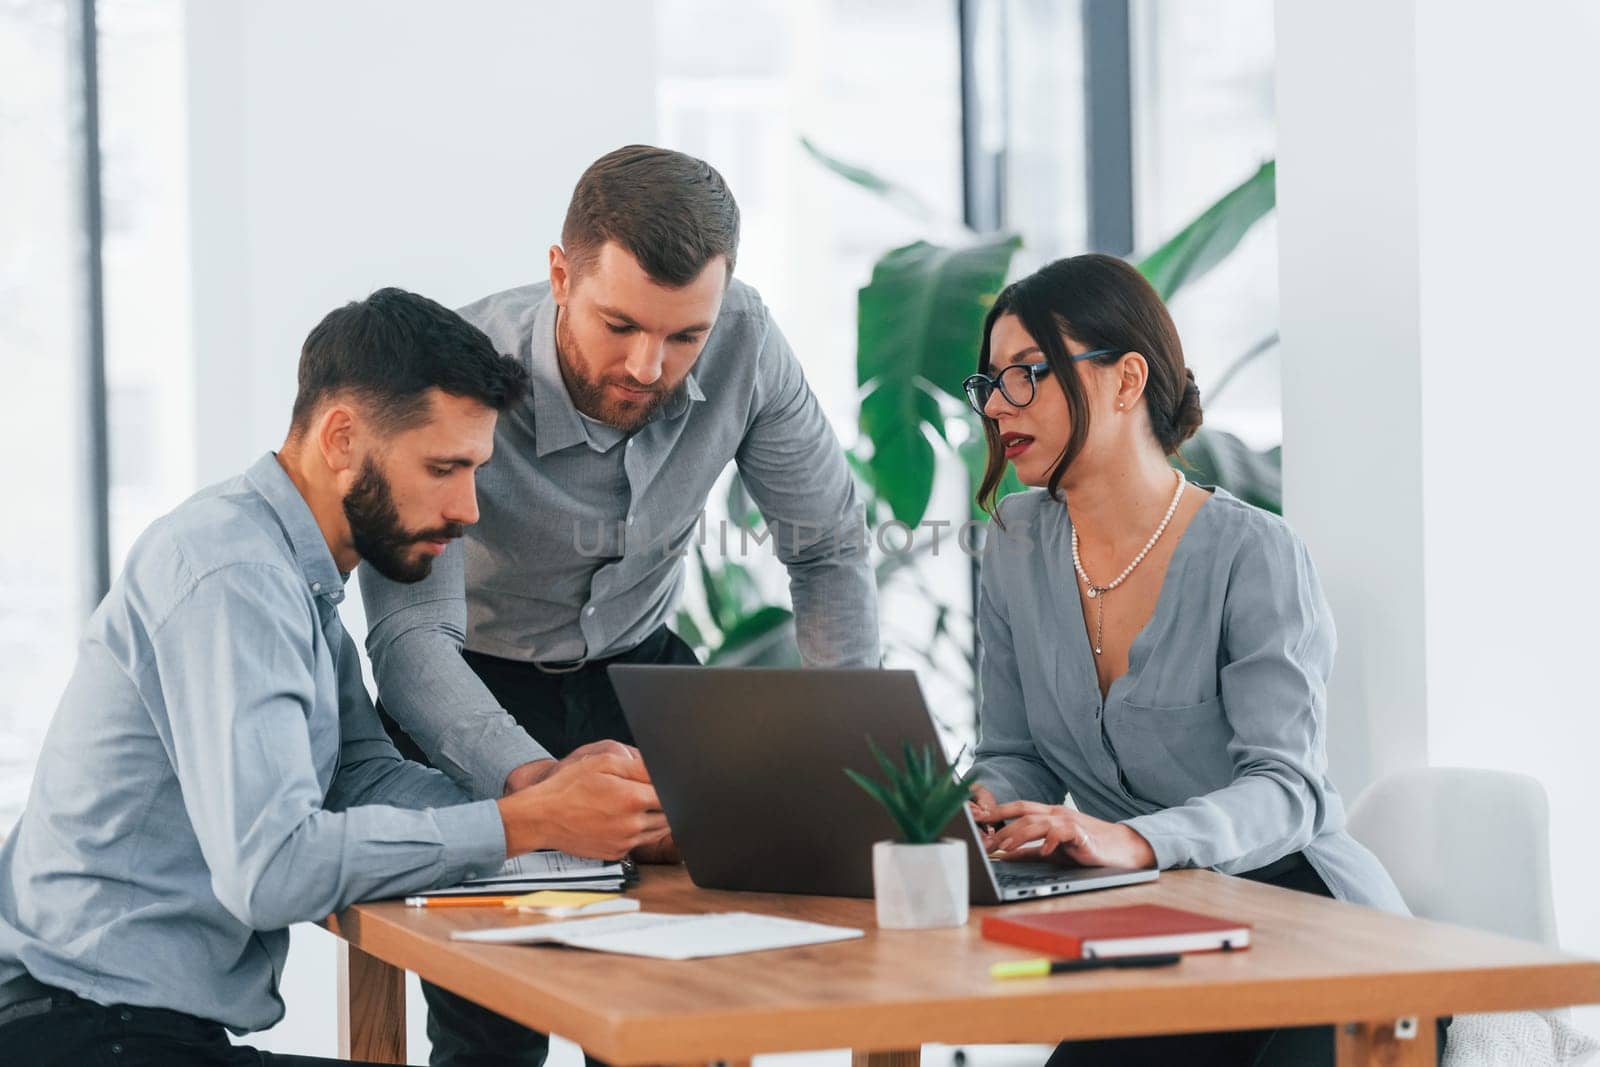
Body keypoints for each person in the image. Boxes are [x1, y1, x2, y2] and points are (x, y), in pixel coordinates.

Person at [0, 288, 669, 1066]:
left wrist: (544, 803)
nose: (468, 508)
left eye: (476, 470)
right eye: (444, 468)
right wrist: (527, 826)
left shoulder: (293, 578)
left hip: (124, 1029)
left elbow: (358, 772)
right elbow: (274, 868)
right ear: (341, 437)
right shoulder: (234, 574)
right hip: (84, 1035)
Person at [360, 146, 880, 1065]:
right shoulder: (450, 373)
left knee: (689, 1008)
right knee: (495, 1024)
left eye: (685, 336)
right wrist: (535, 787)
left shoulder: (747, 340)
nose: (649, 365)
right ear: (561, 275)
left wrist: (843, 753)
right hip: (475, 690)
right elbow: (408, 638)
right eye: (621, 325)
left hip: (643, 676)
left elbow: (829, 546)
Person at [961, 254, 1443, 1066]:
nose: (1000, 405)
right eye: (990, 383)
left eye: (1029, 374)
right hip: (1168, 927)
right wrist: (980, 811)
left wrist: (1138, 841)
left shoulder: (1253, 553)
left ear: (1126, 380)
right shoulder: (1014, 543)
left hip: (1315, 924)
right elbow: (1018, 755)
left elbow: (1289, 788)